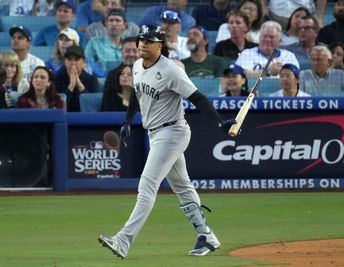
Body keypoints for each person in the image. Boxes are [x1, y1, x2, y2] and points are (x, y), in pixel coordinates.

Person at [98, 24, 236, 258]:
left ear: (160, 45)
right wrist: (127, 121)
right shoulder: (137, 66)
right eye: (141, 39)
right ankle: (207, 236)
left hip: (173, 132)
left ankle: (123, 240)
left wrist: (219, 123)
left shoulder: (171, 70)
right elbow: (136, 94)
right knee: (182, 187)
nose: (142, 44)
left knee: (147, 184)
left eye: (149, 41)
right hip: (156, 133)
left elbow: (198, 98)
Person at [55, 45, 99, 112]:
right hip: (64, 117)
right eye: (69, 59)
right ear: (64, 61)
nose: (73, 63)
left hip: (86, 118)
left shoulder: (91, 79)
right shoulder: (57, 77)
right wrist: (71, 86)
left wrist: (79, 85)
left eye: (77, 59)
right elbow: (57, 106)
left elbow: (93, 106)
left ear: (83, 62)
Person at [84, 8, 125, 73]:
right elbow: (87, 65)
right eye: (111, 20)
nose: (114, 24)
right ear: (106, 23)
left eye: (117, 20)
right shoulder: (94, 43)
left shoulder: (129, 45)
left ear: (124, 25)